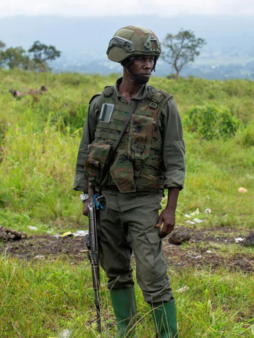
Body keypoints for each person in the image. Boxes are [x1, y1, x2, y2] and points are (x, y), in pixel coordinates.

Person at [73, 25, 185, 337]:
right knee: (115, 270)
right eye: (141, 59)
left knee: (151, 272)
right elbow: (86, 149)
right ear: (125, 61)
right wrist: (85, 198)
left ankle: (167, 334)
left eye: (152, 59)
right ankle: (127, 332)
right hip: (105, 200)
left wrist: (171, 207)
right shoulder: (101, 103)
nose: (148, 64)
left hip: (144, 200)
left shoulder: (163, 104)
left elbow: (175, 158)